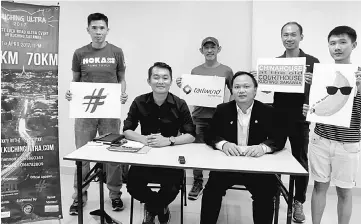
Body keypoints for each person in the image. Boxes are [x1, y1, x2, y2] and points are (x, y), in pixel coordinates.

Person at [200, 71, 285, 224]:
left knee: (265, 194)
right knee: (211, 191)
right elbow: (209, 134)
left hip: (255, 164)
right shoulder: (222, 109)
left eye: (246, 86)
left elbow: (279, 138)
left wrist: (263, 148)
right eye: (237, 87)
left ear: (255, 90)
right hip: (228, 164)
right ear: (232, 90)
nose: (241, 90)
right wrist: (223, 144)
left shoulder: (267, 111)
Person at [65, 13, 128, 215]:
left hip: (109, 111)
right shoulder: (79, 53)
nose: (98, 32)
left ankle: (115, 195)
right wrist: (71, 93)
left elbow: (121, 79)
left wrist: (122, 93)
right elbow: (75, 80)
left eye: (102, 28)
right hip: (85, 111)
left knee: (113, 155)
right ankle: (79, 197)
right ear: (88, 30)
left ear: (107, 30)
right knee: (83, 155)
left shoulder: (116, 52)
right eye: (94, 28)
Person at [258, 21, 320, 223]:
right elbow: (267, 89)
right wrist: (264, 82)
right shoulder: (276, 62)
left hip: (300, 120)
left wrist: (313, 82)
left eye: (293, 34)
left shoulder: (312, 61)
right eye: (285, 35)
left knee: (300, 161)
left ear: (301, 37)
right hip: (277, 117)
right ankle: (272, 195)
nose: (289, 38)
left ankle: (298, 201)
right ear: (281, 37)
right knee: (271, 156)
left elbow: (320, 93)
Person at [123, 62, 196, 224]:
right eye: (156, 77)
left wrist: (169, 141)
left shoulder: (180, 103)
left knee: (172, 187)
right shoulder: (139, 102)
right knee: (132, 185)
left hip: (170, 156)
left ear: (170, 81)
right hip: (145, 155)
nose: (160, 81)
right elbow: (127, 130)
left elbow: (191, 135)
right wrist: (144, 139)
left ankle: (152, 207)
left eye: (165, 78)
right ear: (149, 81)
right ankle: (158, 206)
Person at [303, 26, 360, 224]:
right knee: (319, 186)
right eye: (333, 43)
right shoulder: (322, 75)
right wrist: (309, 110)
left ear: (353, 45)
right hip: (321, 138)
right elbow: (321, 107)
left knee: (344, 191)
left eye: (342, 42)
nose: (337, 47)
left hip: (347, 143)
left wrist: (359, 90)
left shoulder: (359, 76)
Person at [175, 37, 233, 200]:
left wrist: (226, 109)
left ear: (218, 49)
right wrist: (183, 85)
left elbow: (233, 90)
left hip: (219, 118)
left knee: (219, 150)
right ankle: (198, 182)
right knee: (197, 151)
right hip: (199, 117)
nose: (209, 50)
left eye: (212, 47)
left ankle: (216, 183)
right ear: (201, 51)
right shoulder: (195, 71)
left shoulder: (227, 70)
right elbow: (190, 91)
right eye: (206, 47)